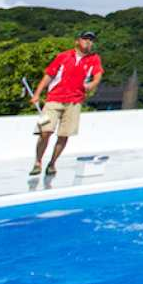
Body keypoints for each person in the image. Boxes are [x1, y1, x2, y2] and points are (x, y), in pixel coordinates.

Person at [29, 30, 104, 176]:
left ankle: (52, 163)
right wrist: (37, 94)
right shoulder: (63, 56)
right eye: (85, 39)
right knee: (45, 131)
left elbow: (98, 75)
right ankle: (38, 161)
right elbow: (49, 75)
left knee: (64, 135)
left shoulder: (93, 59)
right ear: (77, 41)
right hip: (54, 100)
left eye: (91, 40)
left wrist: (92, 85)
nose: (88, 42)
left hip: (74, 102)